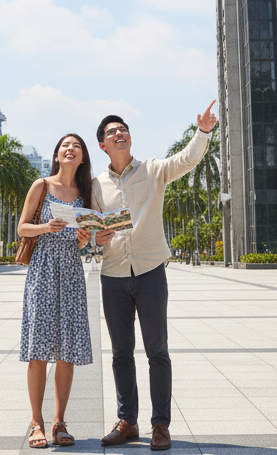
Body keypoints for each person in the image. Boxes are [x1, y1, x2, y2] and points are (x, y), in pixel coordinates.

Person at [93, 102, 217, 451]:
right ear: (102, 144)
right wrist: (95, 238)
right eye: (111, 132)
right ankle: (128, 422)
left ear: (129, 138)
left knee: (157, 351)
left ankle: (160, 425)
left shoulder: (152, 170)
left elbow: (187, 159)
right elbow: (90, 229)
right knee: (120, 353)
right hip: (113, 274)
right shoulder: (96, 185)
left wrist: (203, 131)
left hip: (149, 272)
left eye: (123, 130)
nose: (119, 134)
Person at [18, 133, 94, 448]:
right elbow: (22, 227)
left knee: (68, 352)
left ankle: (59, 421)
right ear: (57, 154)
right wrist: (45, 227)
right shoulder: (42, 186)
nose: (70, 149)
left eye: (76, 146)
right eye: (66, 145)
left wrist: (85, 239)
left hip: (72, 274)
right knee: (38, 350)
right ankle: (36, 421)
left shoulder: (85, 193)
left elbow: (87, 237)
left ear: (82, 157)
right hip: (43, 272)